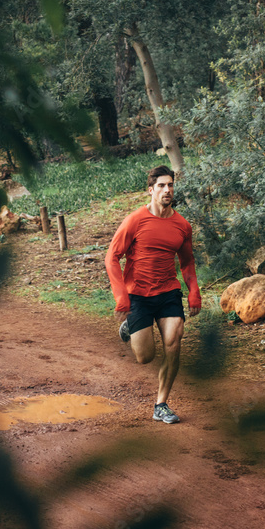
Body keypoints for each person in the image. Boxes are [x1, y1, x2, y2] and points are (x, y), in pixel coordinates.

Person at [104, 165, 201, 424]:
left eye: (170, 185)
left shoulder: (182, 225)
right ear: (151, 189)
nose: (167, 190)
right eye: (161, 185)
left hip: (168, 292)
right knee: (145, 357)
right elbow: (112, 258)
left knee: (174, 341)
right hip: (138, 295)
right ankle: (130, 327)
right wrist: (121, 298)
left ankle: (161, 404)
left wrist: (194, 292)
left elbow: (187, 262)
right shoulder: (135, 220)